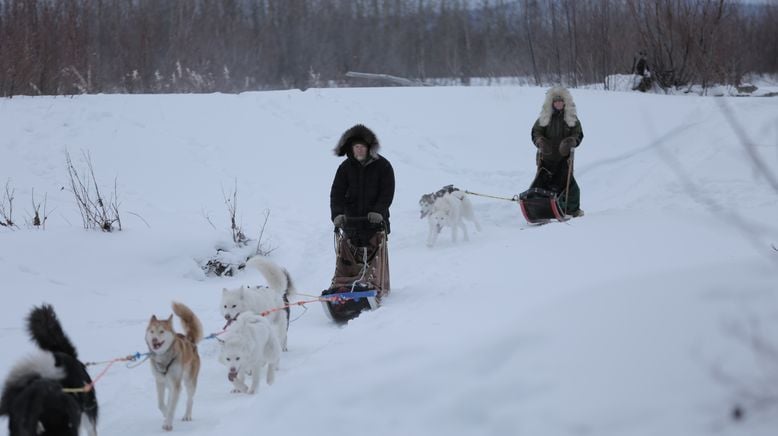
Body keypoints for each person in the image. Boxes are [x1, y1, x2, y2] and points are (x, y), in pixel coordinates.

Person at [329, 124, 395, 295]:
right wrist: (337, 215)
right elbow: (336, 193)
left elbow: (387, 192)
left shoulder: (383, 166)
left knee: (375, 259)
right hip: (351, 223)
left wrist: (379, 211)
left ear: (369, 148)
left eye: (362, 147)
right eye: (356, 147)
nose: (359, 150)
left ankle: (376, 287)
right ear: (351, 149)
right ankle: (344, 287)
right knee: (349, 261)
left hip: (375, 223)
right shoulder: (345, 168)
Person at [530, 86, 584, 217]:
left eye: (561, 101)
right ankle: (537, 208)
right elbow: (536, 132)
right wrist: (540, 141)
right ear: (552, 103)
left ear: (564, 103)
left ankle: (572, 209)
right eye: (556, 102)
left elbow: (578, 133)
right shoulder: (544, 118)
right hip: (546, 157)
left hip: (564, 158)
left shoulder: (572, 119)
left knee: (569, 186)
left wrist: (572, 141)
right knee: (542, 183)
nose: (558, 104)